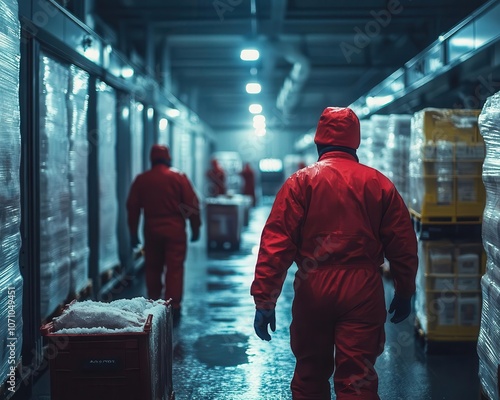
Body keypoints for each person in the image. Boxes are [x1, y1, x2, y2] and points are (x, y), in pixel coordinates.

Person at [250, 107, 418, 399]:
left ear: (318, 142)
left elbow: (275, 245)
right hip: (363, 290)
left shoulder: (300, 183)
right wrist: (404, 290)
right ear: (356, 142)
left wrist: (265, 300)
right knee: (358, 379)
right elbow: (403, 243)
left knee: (310, 373)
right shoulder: (379, 184)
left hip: (313, 288)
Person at [126, 144, 201, 324]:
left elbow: (132, 208)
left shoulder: (142, 180)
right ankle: (173, 307)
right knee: (174, 268)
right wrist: (196, 228)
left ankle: (154, 305)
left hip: (151, 230)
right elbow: (192, 205)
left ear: (151, 159)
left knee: (153, 267)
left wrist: (133, 233)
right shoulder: (178, 177)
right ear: (168, 158)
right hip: (175, 231)